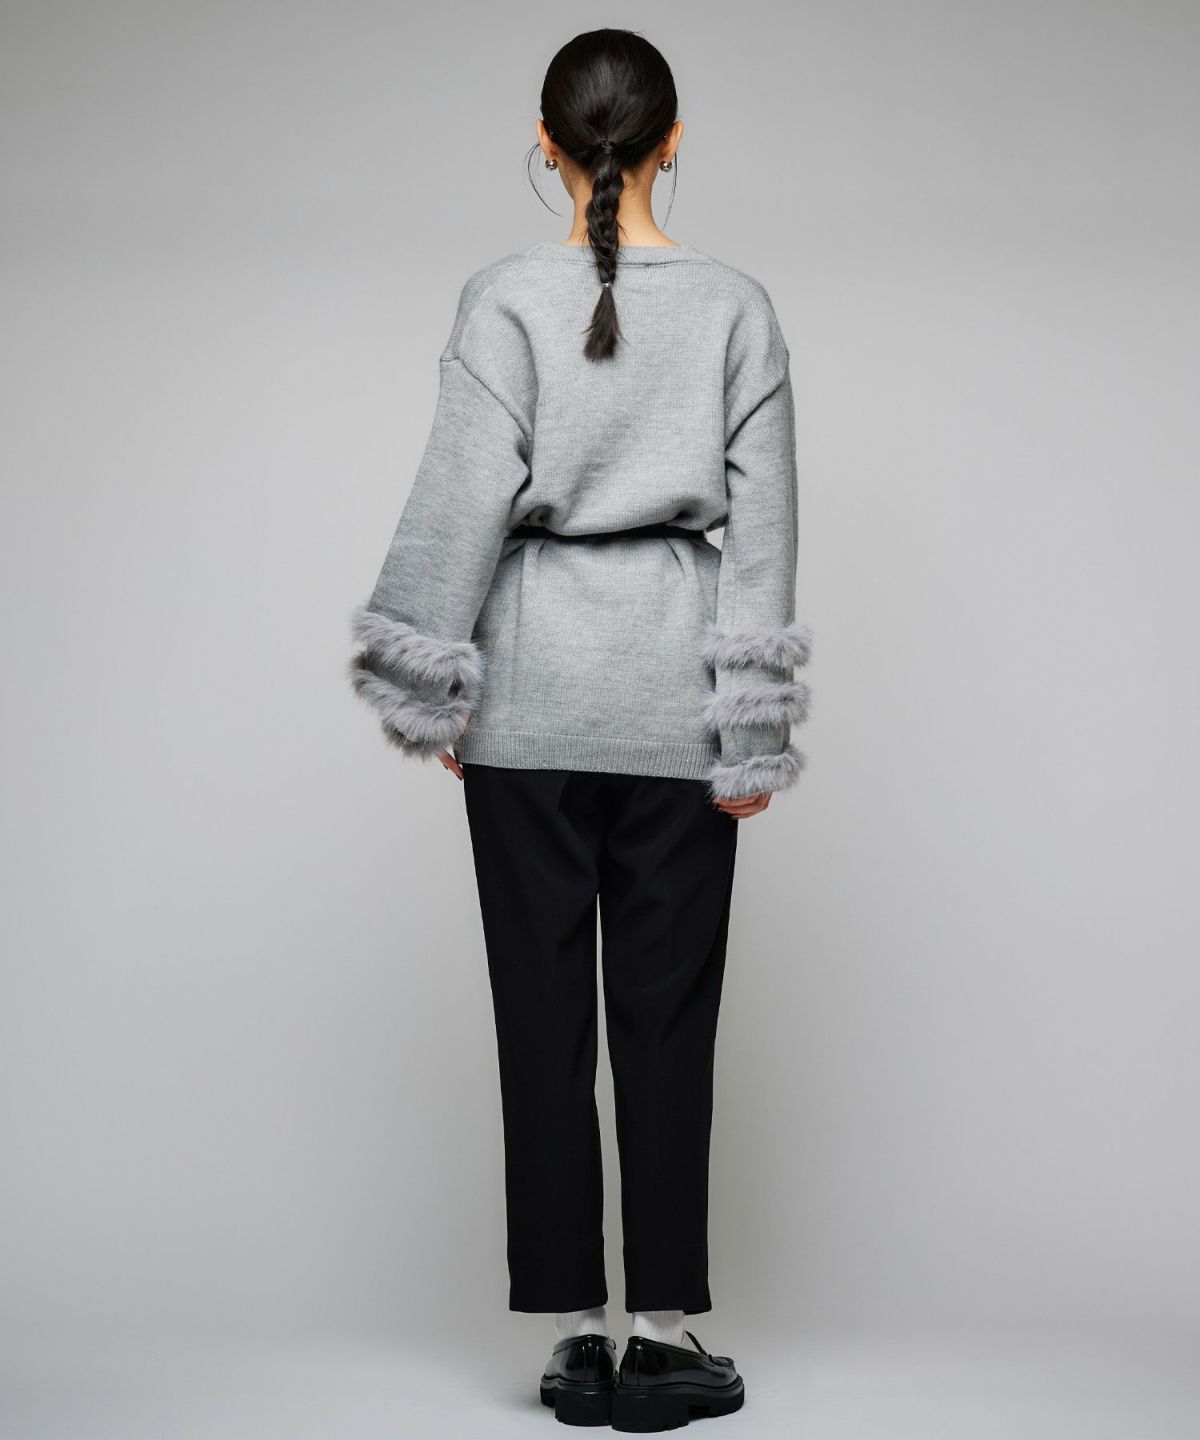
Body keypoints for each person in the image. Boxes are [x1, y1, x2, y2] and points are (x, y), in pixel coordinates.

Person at [347, 27, 812, 1432]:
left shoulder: (503, 298)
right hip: (676, 706)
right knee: (667, 1021)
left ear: (546, 145)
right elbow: (765, 536)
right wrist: (749, 732)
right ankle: (662, 1340)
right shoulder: (735, 306)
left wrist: (437, 683)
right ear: (674, 141)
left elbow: (458, 495)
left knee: (539, 1018)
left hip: (529, 704)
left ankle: (570, 1340)